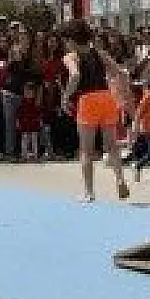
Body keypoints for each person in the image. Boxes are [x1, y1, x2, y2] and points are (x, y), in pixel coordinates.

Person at [61, 19, 135, 203]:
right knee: (112, 145)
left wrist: (65, 96)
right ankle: (120, 179)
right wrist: (124, 96)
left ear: (71, 40)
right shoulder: (100, 53)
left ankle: (89, 191)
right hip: (106, 98)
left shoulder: (71, 57)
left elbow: (75, 75)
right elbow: (120, 72)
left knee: (86, 149)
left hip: (87, 100)